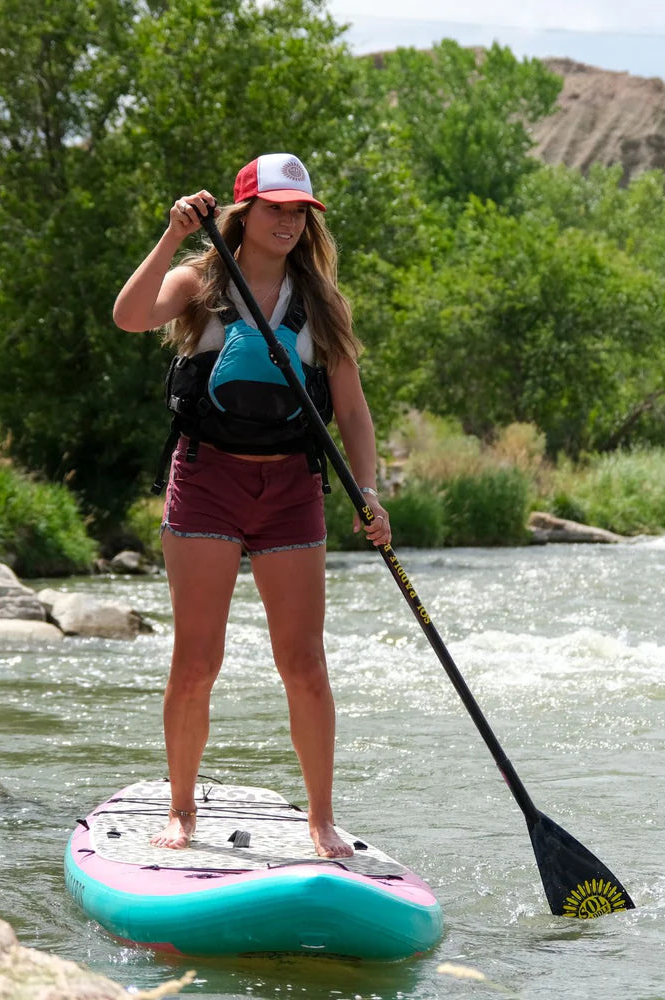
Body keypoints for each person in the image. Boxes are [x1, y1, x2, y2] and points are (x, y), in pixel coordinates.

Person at [112, 153, 391, 859]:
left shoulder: (323, 303)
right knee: (196, 662)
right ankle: (181, 811)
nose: (288, 222)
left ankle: (321, 820)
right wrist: (173, 235)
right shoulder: (199, 283)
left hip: (292, 490)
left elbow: (352, 411)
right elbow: (129, 316)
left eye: (299, 212)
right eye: (275, 208)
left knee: (304, 665)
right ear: (244, 213)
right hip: (206, 482)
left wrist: (367, 491)